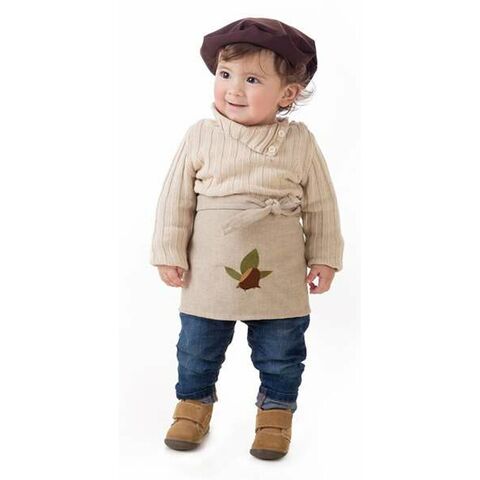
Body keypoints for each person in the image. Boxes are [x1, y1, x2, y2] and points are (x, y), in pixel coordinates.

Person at [150, 17, 344, 460]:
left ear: (287, 94)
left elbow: (321, 204)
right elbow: (174, 200)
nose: (233, 89)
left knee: (282, 351)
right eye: (225, 74)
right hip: (209, 271)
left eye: (252, 80)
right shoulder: (201, 135)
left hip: (279, 271)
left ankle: (276, 413)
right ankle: (192, 405)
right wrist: (168, 250)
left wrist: (325, 256)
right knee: (196, 348)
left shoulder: (300, 142)